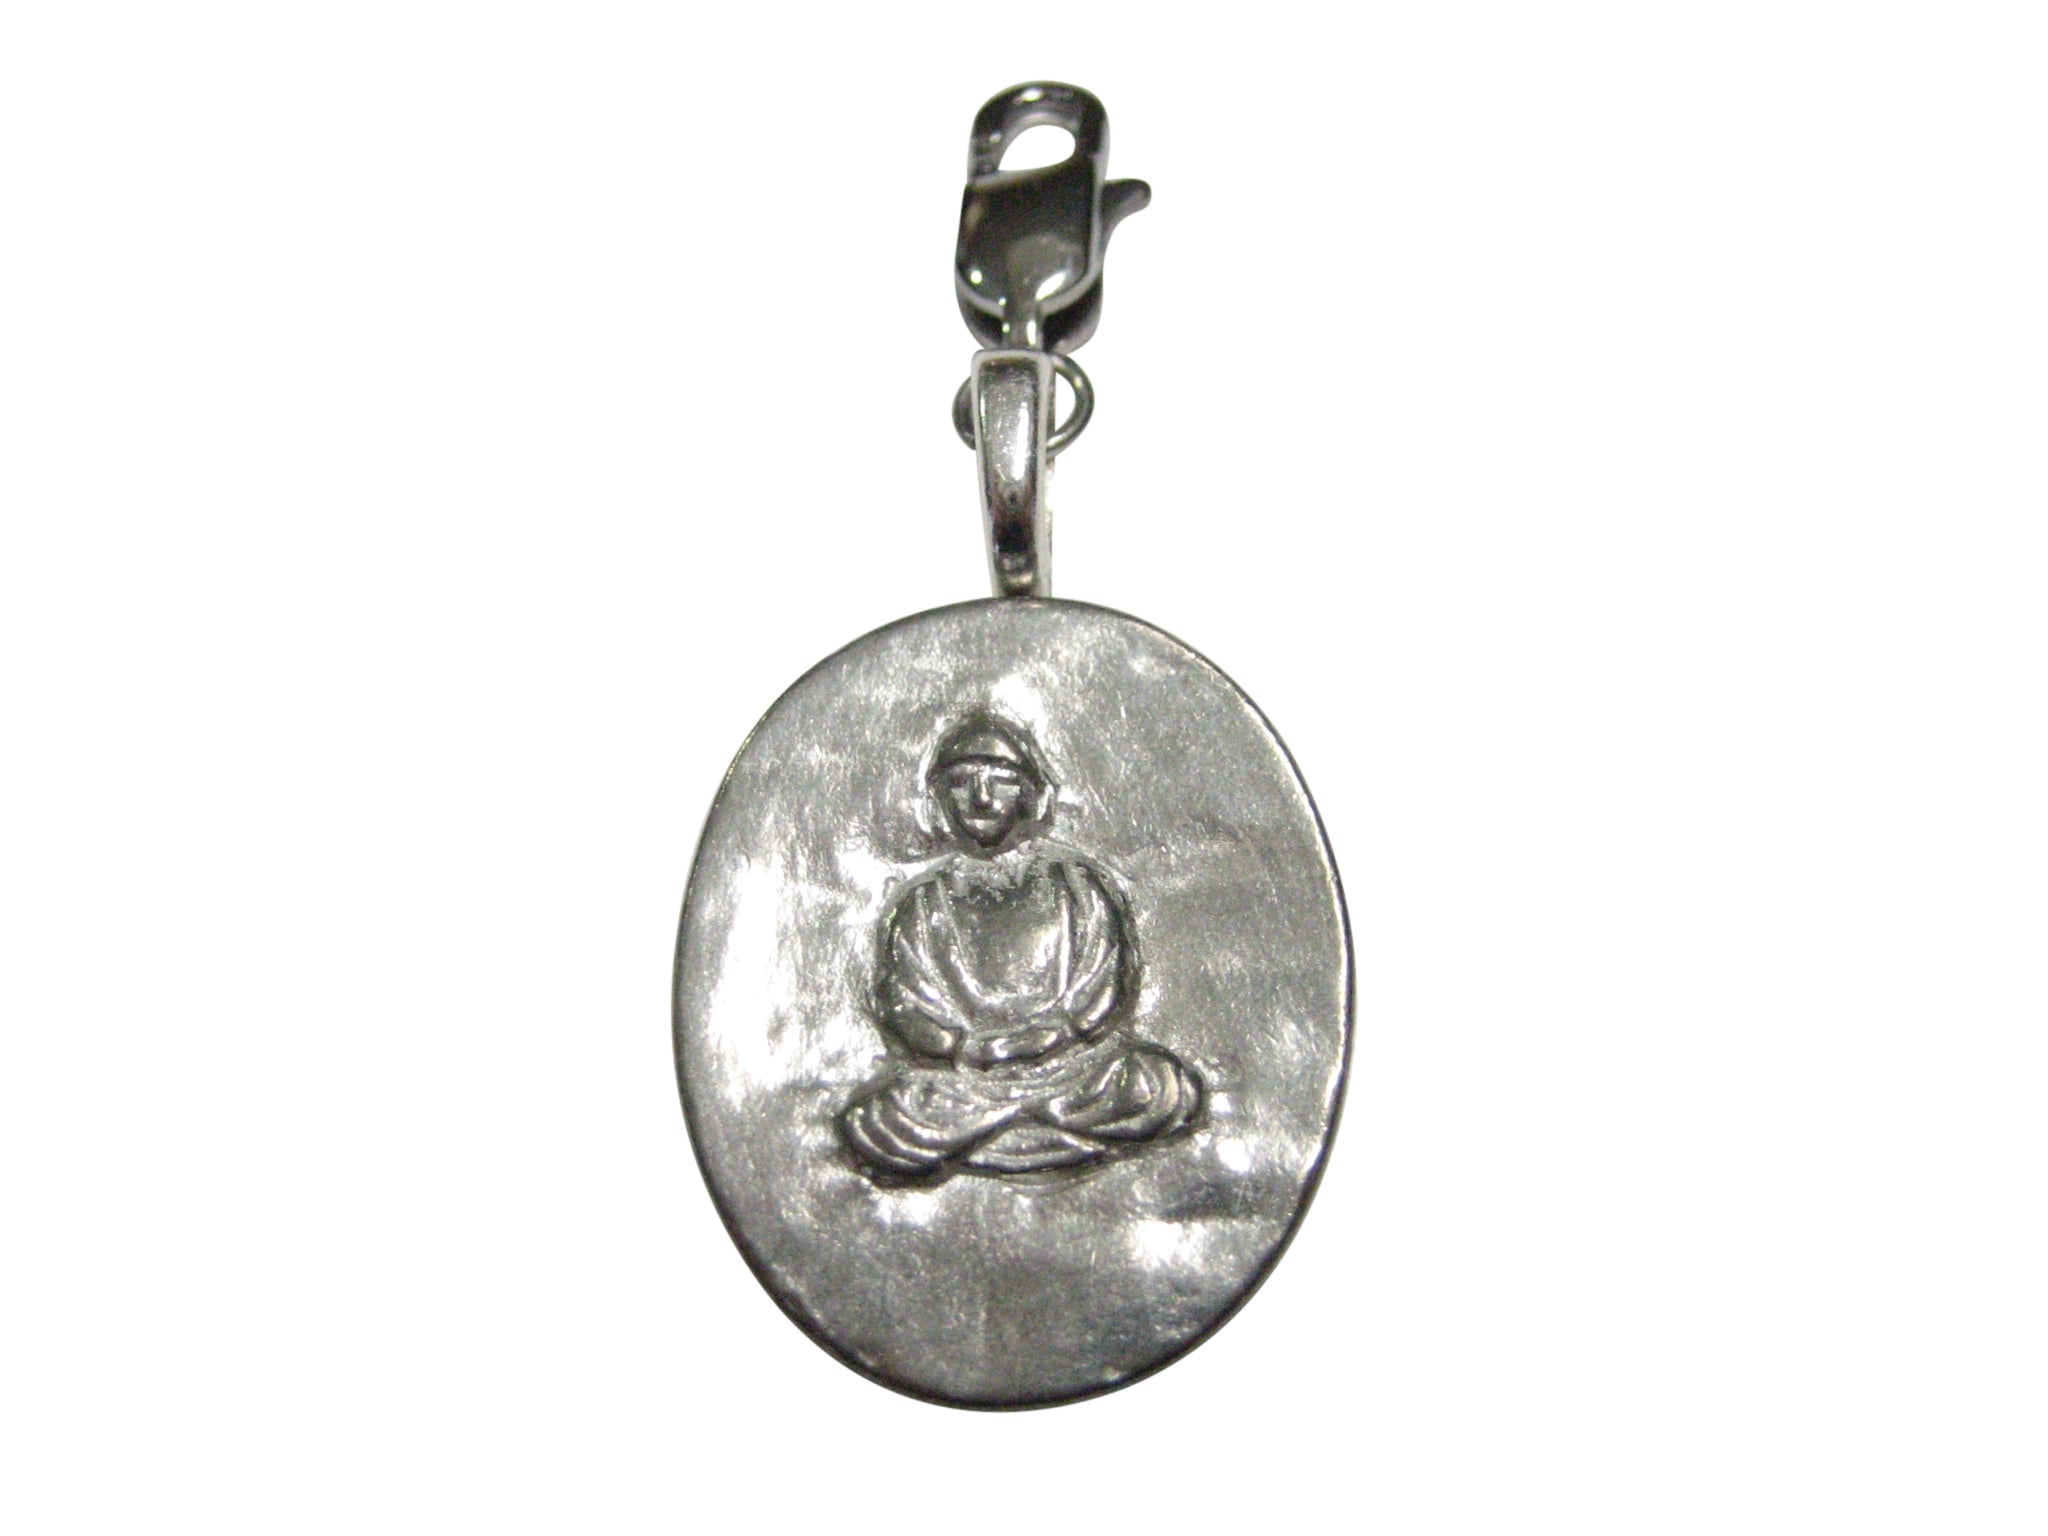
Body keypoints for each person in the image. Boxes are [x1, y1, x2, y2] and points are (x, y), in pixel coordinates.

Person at [840, 716, 1203, 1178]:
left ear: (1034, 796)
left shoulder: (1078, 886)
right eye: (961, 783)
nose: (981, 798)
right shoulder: (920, 904)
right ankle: (1032, 1127)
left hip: (1069, 1069)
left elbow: (1105, 986)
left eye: (1002, 781)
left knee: (1161, 1087)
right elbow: (905, 1006)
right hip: (969, 1083)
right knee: (879, 1119)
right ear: (938, 801)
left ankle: (1001, 1133)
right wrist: (966, 1047)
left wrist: (1060, 1034)